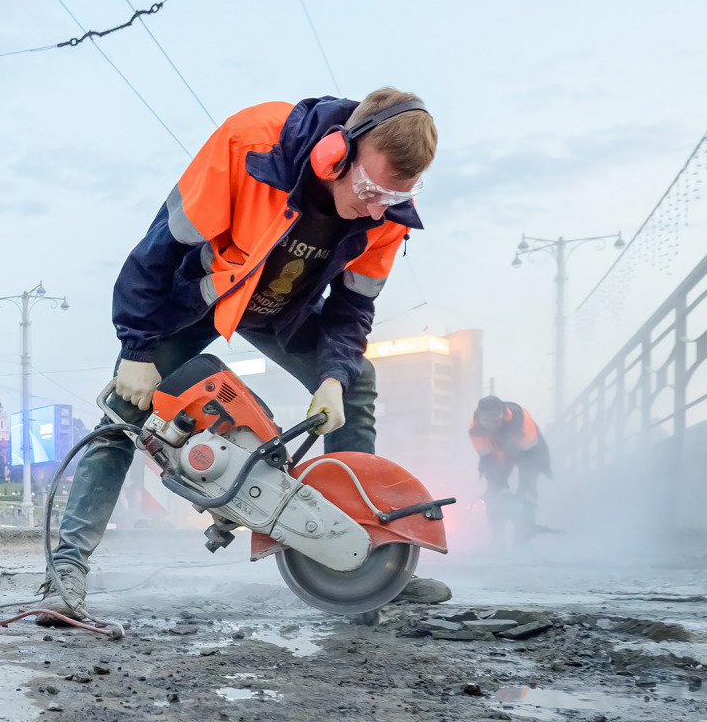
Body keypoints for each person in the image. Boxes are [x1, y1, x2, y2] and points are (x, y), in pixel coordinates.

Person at [44, 88, 450, 618]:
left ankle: (369, 557)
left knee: (356, 381)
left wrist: (332, 376)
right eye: (371, 188)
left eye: (392, 197)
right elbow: (155, 253)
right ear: (336, 152)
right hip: (201, 297)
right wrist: (137, 350)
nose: (376, 208)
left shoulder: (388, 213)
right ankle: (66, 570)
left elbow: (351, 313)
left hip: (287, 312)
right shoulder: (250, 146)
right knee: (125, 411)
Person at [468, 395, 552, 542]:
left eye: (495, 419)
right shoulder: (475, 430)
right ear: (479, 417)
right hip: (499, 454)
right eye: (486, 420)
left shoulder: (523, 421)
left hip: (529, 452)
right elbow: (488, 462)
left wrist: (525, 490)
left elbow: (530, 460)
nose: (491, 424)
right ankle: (497, 543)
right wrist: (502, 488)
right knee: (493, 495)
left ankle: (523, 542)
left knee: (527, 495)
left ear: (503, 415)